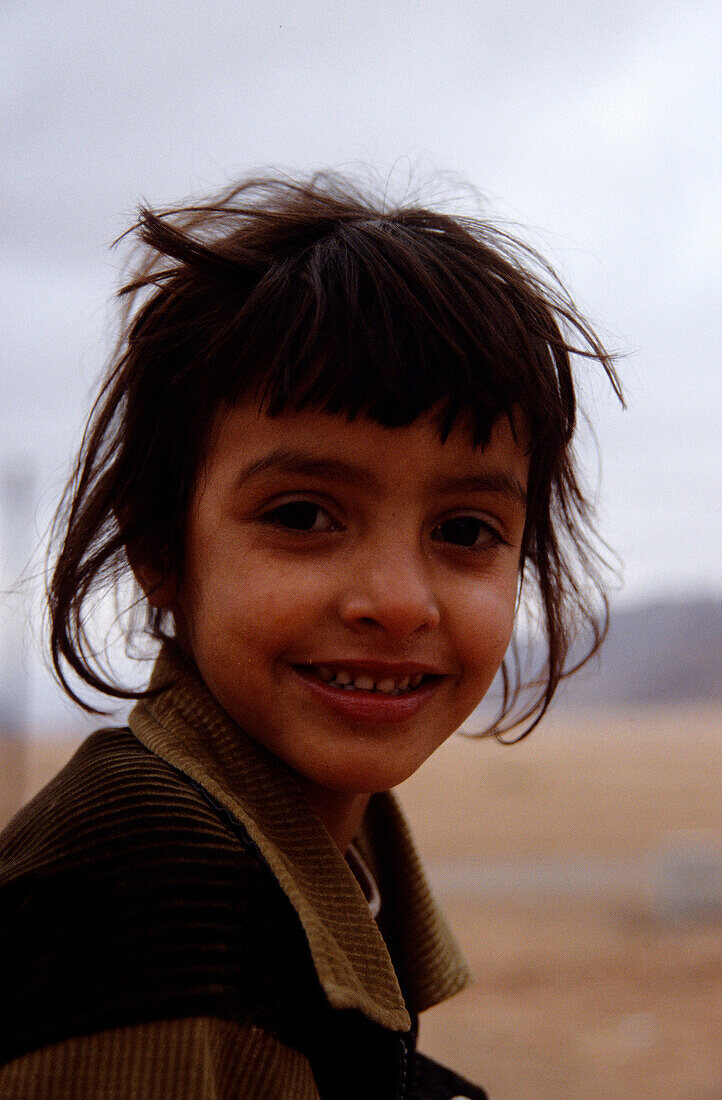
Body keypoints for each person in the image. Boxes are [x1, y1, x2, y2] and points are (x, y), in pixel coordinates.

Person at [0, 172, 622, 1098]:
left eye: (465, 531)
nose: (400, 602)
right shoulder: (152, 892)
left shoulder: (314, 857)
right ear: (161, 546)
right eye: (303, 514)